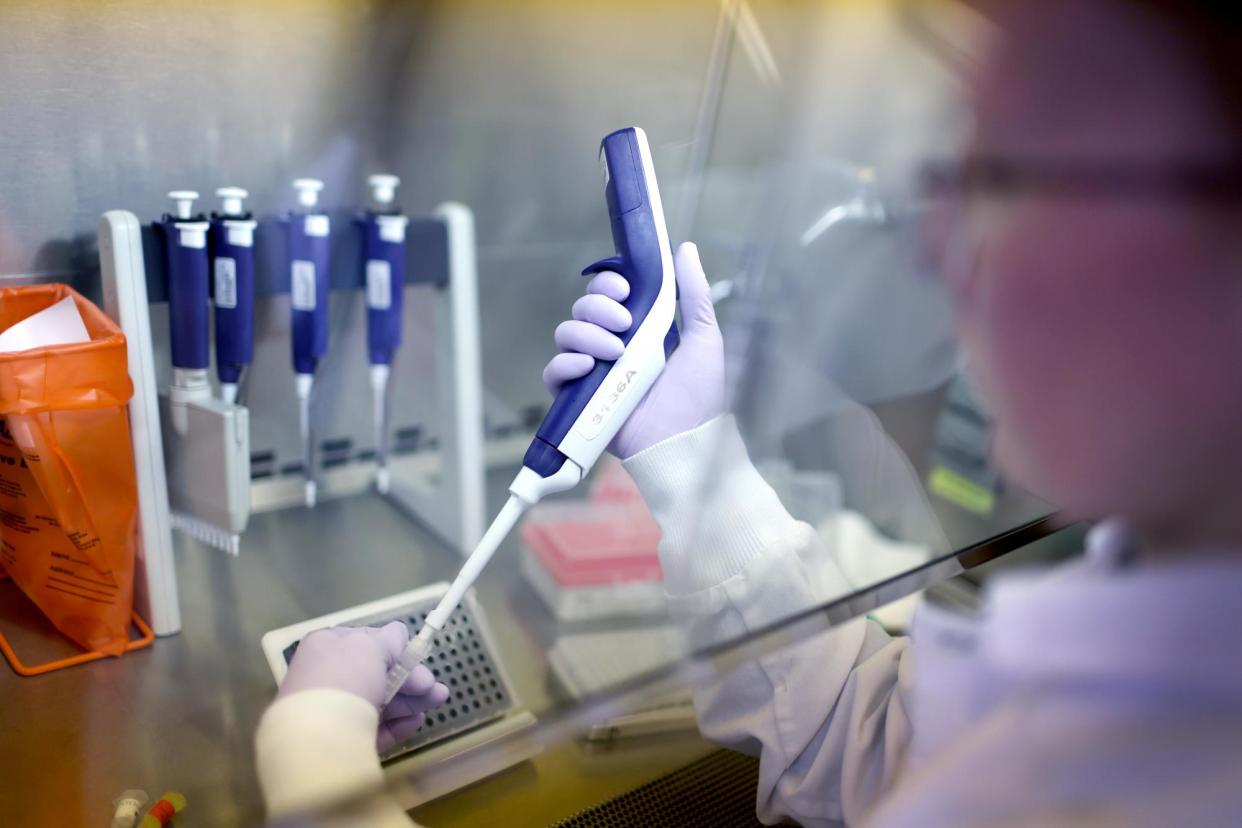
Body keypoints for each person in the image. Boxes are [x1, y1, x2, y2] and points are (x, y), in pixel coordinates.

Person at [256, 1, 1242, 824]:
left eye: (1007, 176)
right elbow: (868, 745)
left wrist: (314, 753)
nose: (936, 245)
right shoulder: (1167, 625)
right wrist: (689, 454)